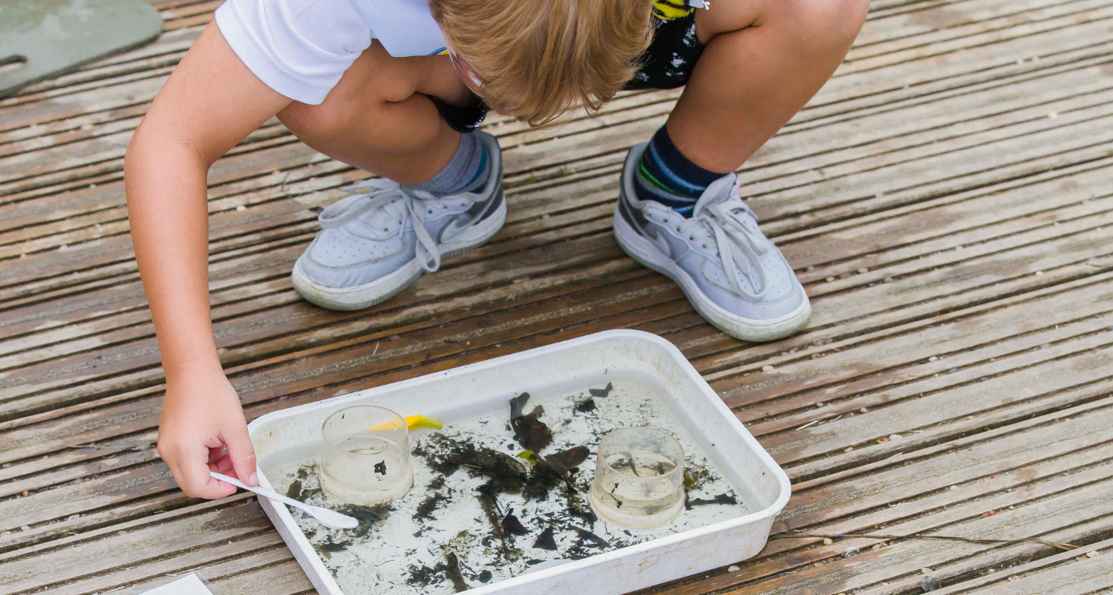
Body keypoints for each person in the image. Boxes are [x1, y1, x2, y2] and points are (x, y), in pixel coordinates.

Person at [125, 0, 869, 499]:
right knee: (315, 90)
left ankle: (675, 189)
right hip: (429, 52)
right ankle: (450, 182)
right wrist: (192, 373)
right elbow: (171, 139)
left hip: (658, 23)